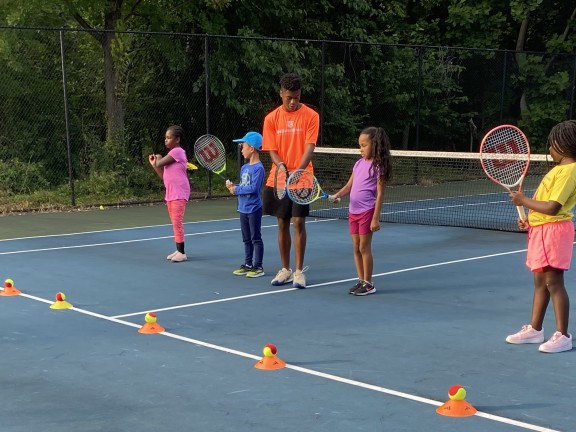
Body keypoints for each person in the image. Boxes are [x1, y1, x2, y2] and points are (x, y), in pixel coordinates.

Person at [506, 120, 576, 353]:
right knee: (540, 282)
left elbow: (553, 207)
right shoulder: (559, 170)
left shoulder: (569, 171)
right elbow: (543, 208)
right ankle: (535, 330)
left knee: (554, 282)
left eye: (552, 144)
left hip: (554, 231)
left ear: (564, 144)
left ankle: (563, 335)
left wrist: (523, 201)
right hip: (541, 229)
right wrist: (530, 218)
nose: (549, 149)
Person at [262, 72, 319, 288]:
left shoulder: (311, 116)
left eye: (296, 97)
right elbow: (272, 150)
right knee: (282, 222)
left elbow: (309, 147)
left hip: (302, 179)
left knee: (299, 222)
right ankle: (285, 269)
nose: (293, 102)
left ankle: (298, 271)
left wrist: (299, 171)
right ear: (281, 94)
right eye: (289, 98)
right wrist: (282, 167)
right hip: (279, 177)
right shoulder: (271, 119)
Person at [329, 127, 392, 296]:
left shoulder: (378, 167)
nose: (361, 149)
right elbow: (349, 186)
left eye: (364, 145)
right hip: (353, 211)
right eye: (360, 146)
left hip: (367, 211)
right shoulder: (358, 164)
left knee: (364, 247)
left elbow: (380, 194)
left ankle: (368, 283)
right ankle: (361, 280)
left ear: (375, 144)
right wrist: (337, 195)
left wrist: (375, 218)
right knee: (356, 247)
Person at [148, 125, 190, 263]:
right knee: (174, 222)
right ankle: (178, 250)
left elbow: (160, 162)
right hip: (171, 193)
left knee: (177, 222)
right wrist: (155, 165)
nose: (165, 140)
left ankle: (182, 253)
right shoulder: (170, 156)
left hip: (179, 193)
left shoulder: (177, 152)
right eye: (165, 138)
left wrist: (158, 159)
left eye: (168, 137)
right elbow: (163, 175)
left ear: (177, 139)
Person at [226, 131, 266, 278]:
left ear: (252, 148)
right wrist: (233, 186)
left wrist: (237, 189)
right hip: (242, 208)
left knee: (256, 238)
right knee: (246, 238)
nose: (241, 149)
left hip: (254, 208)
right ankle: (248, 264)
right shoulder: (244, 168)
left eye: (243, 146)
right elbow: (244, 185)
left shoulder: (259, 168)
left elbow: (253, 188)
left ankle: (258, 267)